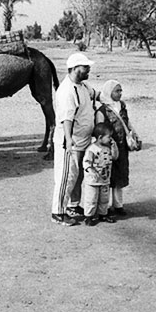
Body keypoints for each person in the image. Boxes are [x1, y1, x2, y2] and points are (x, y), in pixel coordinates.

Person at [50, 52, 99, 226]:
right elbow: (67, 119)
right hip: (70, 142)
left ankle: (73, 205)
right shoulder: (67, 91)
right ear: (75, 68)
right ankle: (58, 212)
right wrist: (69, 140)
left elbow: (96, 94)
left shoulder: (83, 86)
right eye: (85, 67)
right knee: (66, 176)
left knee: (78, 176)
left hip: (83, 140)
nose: (88, 69)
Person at [95, 80, 140, 217]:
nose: (120, 93)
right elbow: (99, 129)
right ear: (109, 92)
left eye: (121, 91)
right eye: (117, 91)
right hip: (109, 149)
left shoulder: (122, 106)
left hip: (122, 148)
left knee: (119, 176)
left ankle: (118, 205)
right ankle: (105, 207)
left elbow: (127, 122)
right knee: (107, 177)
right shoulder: (103, 110)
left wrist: (133, 132)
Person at [81, 123, 118, 226]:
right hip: (93, 181)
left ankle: (103, 214)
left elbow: (115, 157)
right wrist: (91, 170)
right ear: (100, 137)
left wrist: (114, 148)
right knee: (91, 199)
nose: (110, 139)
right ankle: (88, 216)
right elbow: (86, 162)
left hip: (105, 179)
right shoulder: (92, 149)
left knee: (104, 199)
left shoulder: (108, 148)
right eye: (109, 137)